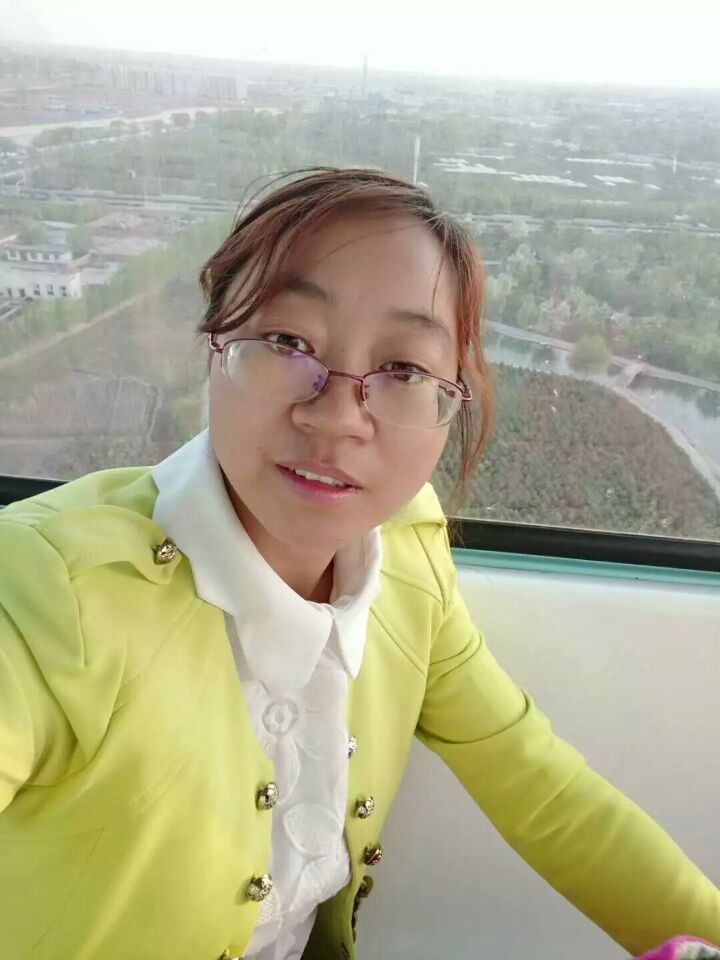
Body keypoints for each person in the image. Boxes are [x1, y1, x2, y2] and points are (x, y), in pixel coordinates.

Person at [0, 168, 718, 960]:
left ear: (451, 404)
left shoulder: (405, 560)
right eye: (288, 343)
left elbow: (548, 798)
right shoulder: (43, 589)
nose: (337, 415)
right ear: (215, 346)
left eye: (403, 370)